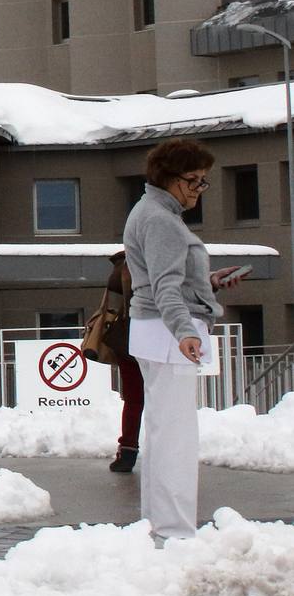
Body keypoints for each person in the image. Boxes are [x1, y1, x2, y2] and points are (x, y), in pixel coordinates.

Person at [123, 138, 245, 542]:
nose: (197, 189)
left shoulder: (150, 211)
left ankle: (157, 524)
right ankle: (175, 531)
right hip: (166, 331)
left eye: (203, 181)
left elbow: (162, 282)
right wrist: (186, 331)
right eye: (192, 180)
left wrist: (207, 283)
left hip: (154, 329)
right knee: (175, 436)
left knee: (161, 432)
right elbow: (164, 288)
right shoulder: (162, 220)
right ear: (167, 178)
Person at [102, 250, 145, 473]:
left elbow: (112, 304)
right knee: (162, 398)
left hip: (128, 341)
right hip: (159, 338)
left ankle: (127, 451)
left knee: (134, 399)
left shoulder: (122, 267)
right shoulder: (161, 258)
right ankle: (168, 450)